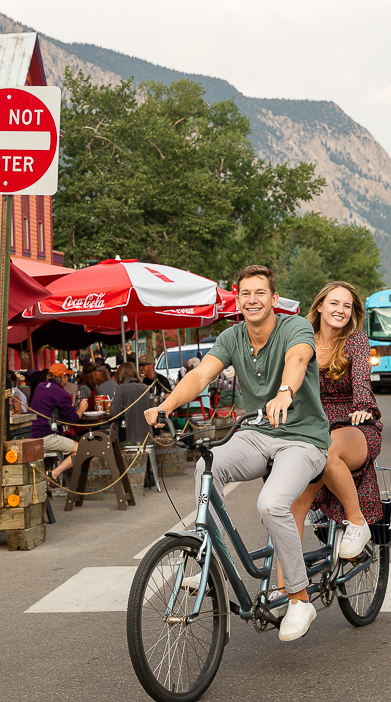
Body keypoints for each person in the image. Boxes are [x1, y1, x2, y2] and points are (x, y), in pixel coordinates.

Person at [145, 264, 329, 643]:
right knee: (205, 469)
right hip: (258, 432)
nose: (253, 300)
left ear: (274, 299)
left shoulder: (295, 328)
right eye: (245, 294)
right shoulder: (232, 337)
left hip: (303, 437)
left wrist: (285, 393)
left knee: (272, 504)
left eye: (260, 293)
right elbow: (199, 377)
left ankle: (298, 597)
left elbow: (297, 361)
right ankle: (209, 558)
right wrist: (166, 406)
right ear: (238, 300)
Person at [285, 281, 383, 568]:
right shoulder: (302, 340)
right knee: (292, 511)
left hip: (354, 425)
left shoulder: (355, 341)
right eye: (334, 303)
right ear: (319, 306)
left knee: (325, 452)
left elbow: (362, 382)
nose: (340, 310)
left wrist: (363, 407)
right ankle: (286, 595)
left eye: (347, 306)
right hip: (314, 427)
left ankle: (357, 522)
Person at [30, 363, 88, 480]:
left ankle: (52, 475)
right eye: (67, 376)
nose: (68, 379)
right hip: (46, 436)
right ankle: (54, 474)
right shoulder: (61, 392)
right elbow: (73, 420)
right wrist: (81, 409)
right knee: (84, 449)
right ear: (62, 377)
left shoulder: (40, 386)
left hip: (32, 433)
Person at [110, 362, 153, 443]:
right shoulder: (145, 387)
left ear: (120, 374)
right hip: (146, 437)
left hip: (127, 437)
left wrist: (110, 406)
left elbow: (114, 414)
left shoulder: (121, 389)